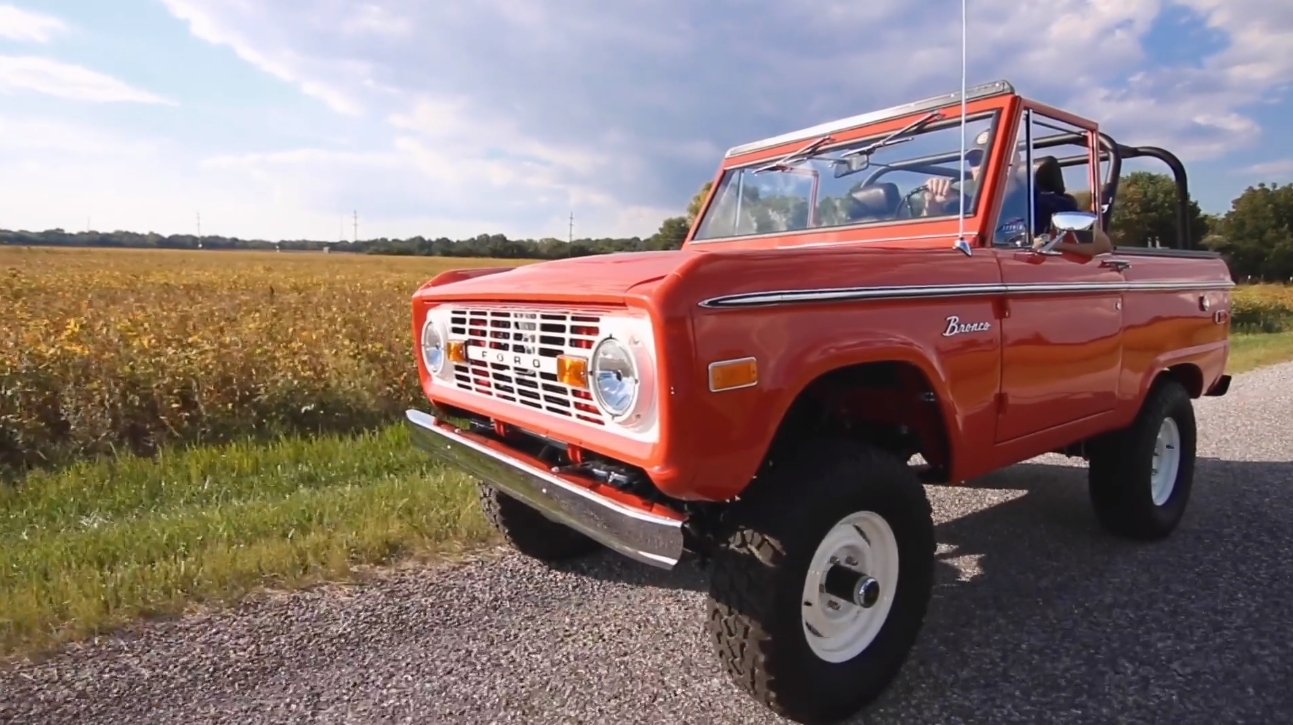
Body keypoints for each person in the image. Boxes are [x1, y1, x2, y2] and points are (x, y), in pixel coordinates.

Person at [919, 130, 1110, 255]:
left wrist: (1050, 245)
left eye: (993, 157)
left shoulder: (1047, 203)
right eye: (976, 160)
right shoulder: (960, 204)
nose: (982, 166)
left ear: (1016, 160)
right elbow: (927, 246)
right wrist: (931, 207)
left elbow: (1101, 245)